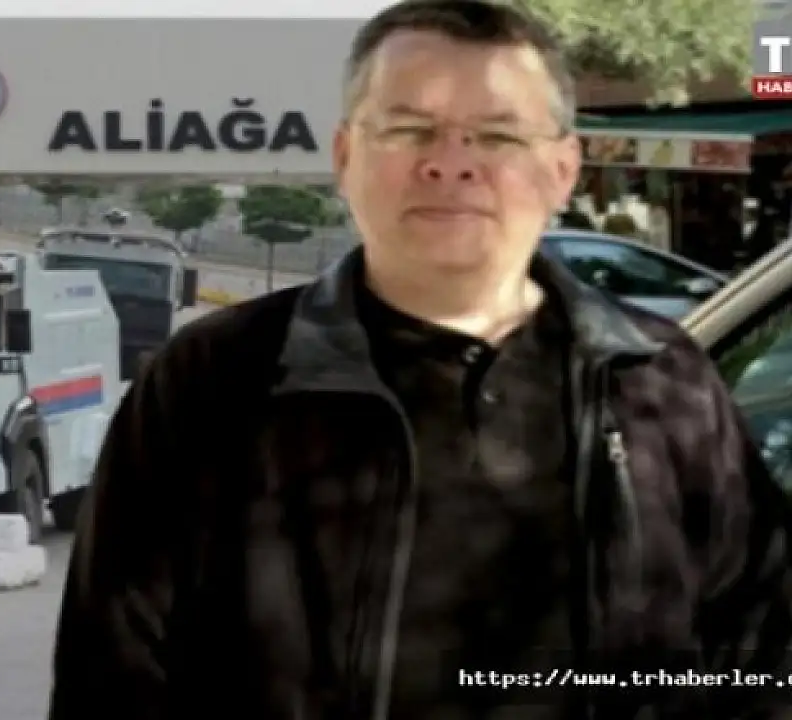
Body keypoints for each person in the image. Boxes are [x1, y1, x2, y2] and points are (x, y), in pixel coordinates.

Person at [48, 2, 792, 718]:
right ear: (346, 156)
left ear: (562, 170)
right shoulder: (213, 380)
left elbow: (759, 654)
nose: (450, 164)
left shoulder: (661, 378)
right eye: (410, 129)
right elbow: (111, 676)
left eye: (496, 135)